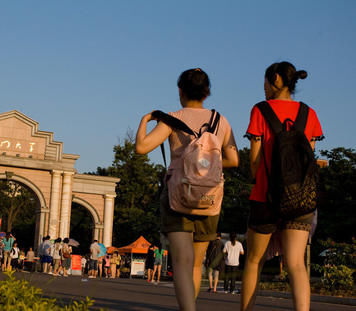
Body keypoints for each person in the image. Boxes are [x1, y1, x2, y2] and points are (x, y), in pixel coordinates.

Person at [135, 68, 239, 311]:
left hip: (177, 196)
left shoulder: (172, 118)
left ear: (180, 91)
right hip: (209, 198)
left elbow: (141, 147)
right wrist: (206, 163)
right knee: (196, 263)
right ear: (207, 91)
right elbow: (234, 160)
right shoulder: (220, 120)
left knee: (181, 262)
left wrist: (145, 120)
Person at [241, 61, 323, 311]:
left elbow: (255, 165)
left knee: (254, 261)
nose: (263, 87)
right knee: (296, 263)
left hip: (266, 196)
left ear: (276, 79)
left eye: (266, 81)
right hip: (300, 199)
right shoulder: (309, 114)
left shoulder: (260, 110)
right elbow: (308, 159)